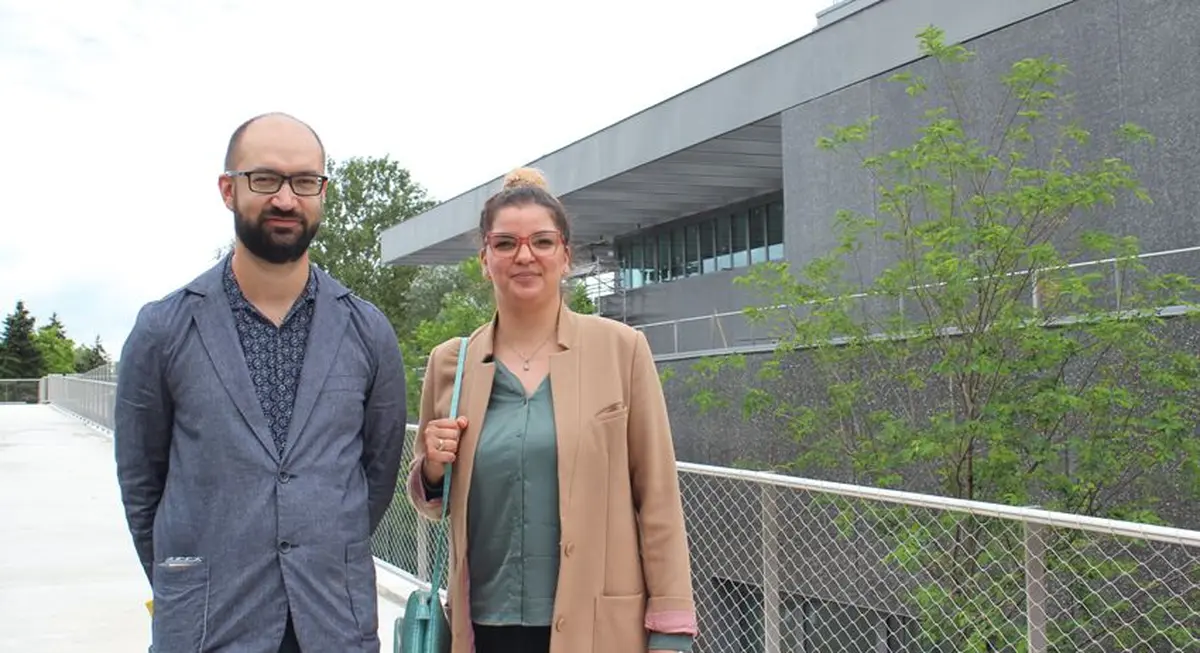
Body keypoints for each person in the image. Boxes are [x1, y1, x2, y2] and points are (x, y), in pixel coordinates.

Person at [114, 112, 408, 653]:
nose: (285, 199)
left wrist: (319, 543)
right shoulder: (163, 329)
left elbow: (376, 474)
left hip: (332, 622)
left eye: (304, 182)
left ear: (322, 192)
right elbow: (142, 485)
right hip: (208, 625)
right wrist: (185, 577)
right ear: (228, 189)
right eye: (265, 179)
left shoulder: (367, 331)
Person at [406, 168, 698, 653]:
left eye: (542, 241)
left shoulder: (621, 350)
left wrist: (670, 625)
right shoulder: (450, 364)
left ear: (565, 255)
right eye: (505, 244)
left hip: (600, 628)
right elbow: (429, 501)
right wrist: (433, 469)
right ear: (484, 259)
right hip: (484, 628)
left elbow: (659, 498)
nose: (524, 255)